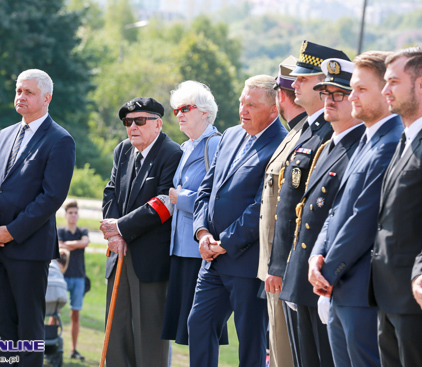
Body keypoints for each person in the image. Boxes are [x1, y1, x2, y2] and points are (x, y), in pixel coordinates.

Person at [0, 69, 75, 366]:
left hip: (28, 250)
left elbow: (51, 197)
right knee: (0, 329)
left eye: (28, 92)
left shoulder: (60, 140)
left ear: (47, 98)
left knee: (28, 331)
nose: (20, 96)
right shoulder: (4, 134)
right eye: (18, 91)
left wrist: (12, 231)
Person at [307, 51, 402, 367]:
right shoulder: (367, 139)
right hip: (340, 287)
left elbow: (364, 216)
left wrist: (327, 272)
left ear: (386, 92)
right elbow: (336, 209)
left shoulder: (390, 142)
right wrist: (316, 257)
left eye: (361, 89)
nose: (353, 96)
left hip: (361, 289)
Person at [189, 75, 287, 367]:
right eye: (242, 102)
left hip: (247, 263)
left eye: (252, 105)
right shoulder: (231, 135)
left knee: (250, 341)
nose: (243, 109)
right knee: (199, 323)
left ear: (274, 109)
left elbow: (262, 208)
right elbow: (207, 189)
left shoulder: (281, 145)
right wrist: (202, 232)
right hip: (213, 259)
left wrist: (225, 242)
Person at [266, 40, 347, 366]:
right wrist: (280, 264)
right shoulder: (310, 131)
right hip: (295, 265)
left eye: (304, 78)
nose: (294, 83)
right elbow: (288, 204)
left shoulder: (331, 132)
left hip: (312, 267)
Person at [281, 58, 365, 367]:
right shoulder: (330, 143)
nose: (329, 100)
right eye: (325, 93)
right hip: (305, 274)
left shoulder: (358, 147)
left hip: (328, 280)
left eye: (338, 94)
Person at [100, 96, 182, 366]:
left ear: (157, 124)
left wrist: (121, 229)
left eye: (140, 121)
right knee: (116, 336)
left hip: (149, 261)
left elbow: (163, 205)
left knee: (149, 342)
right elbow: (110, 191)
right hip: (119, 256)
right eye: (127, 122)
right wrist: (114, 235)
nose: (132, 127)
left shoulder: (172, 153)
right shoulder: (123, 150)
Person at [368, 46, 422, 367]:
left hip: (413, 296)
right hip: (387, 293)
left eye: (393, 82)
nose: (385, 90)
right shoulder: (406, 138)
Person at [160, 80, 224, 347]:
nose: (179, 115)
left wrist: (181, 198)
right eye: (176, 110)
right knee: (186, 330)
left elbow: (220, 197)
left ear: (205, 112)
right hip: (180, 248)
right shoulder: (186, 147)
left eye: (186, 108)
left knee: (200, 327)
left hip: (200, 249)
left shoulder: (216, 145)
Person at [258, 55, 306, 367]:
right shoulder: (293, 134)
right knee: (277, 353)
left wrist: (278, 265)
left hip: (284, 268)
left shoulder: (303, 137)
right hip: (274, 267)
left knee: (285, 356)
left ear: (281, 96)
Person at [57, 200, 90, 361]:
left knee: (75, 314)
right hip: (61, 277)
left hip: (79, 277)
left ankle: (74, 349)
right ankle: (52, 346)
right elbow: (58, 246)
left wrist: (67, 245)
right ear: (65, 215)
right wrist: (75, 244)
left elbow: (85, 242)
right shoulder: (60, 231)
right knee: (54, 312)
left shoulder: (83, 230)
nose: (73, 215)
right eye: (70, 212)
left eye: (75, 212)